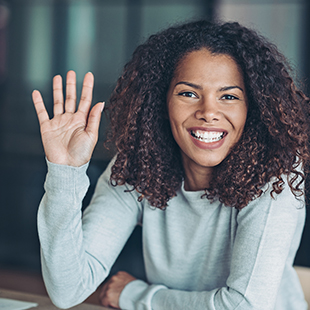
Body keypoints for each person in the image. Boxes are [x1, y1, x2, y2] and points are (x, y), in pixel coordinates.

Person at [32, 20, 310, 310]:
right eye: (188, 93)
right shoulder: (138, 166)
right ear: (160, 102)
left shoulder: (275, 175)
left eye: (229, 96)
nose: (208, 113)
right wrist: (65, 173)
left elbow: (244, 306)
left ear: (251, 109)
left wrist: (136, 296)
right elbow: (67, 290)